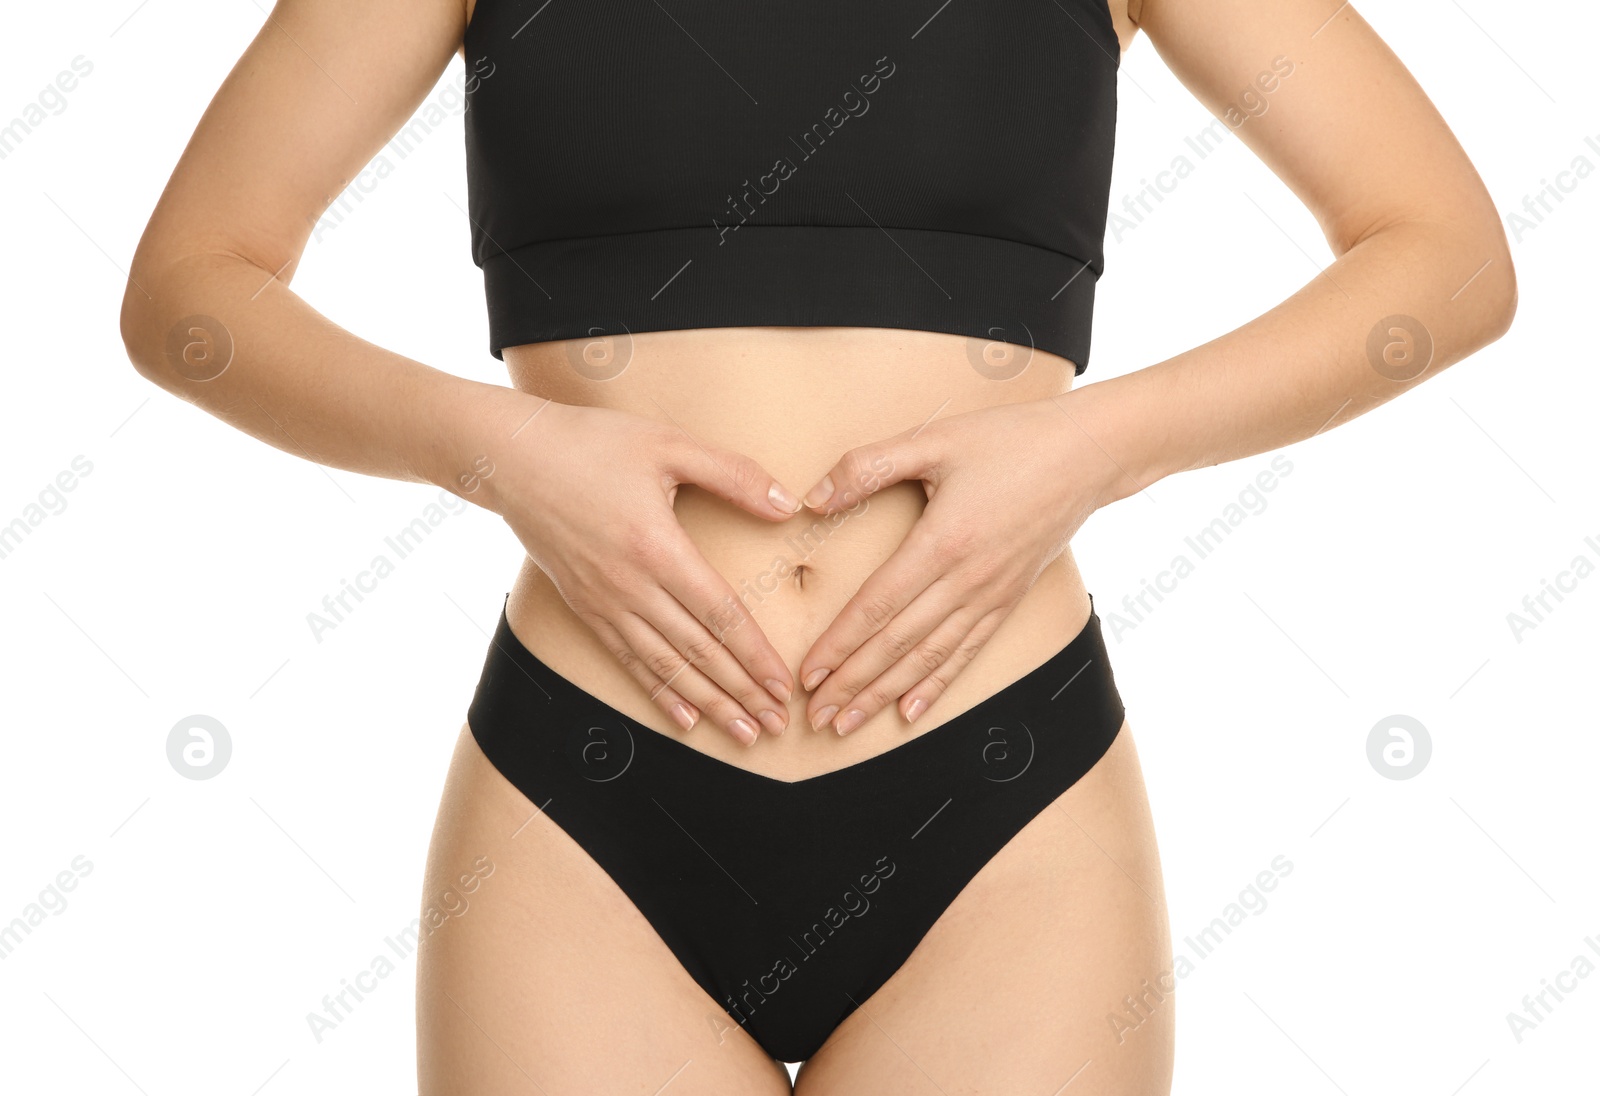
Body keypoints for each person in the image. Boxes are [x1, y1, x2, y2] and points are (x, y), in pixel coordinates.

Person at [118, 0, 1516, 1091]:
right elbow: (191, 285)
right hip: (586, 813)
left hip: (1000, 810)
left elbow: (1443, 254)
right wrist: (504, 454)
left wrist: (1092, 450)